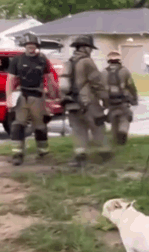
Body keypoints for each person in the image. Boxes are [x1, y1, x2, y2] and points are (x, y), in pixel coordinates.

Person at [6, 32, 57, 166]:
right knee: (18, 125)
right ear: (24, 46)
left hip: (38, 97)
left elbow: (49, 78)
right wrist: (9, 99)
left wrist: (54, 95)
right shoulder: (17, 60)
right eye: (28, 45)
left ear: (36, 46)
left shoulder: (43, 59)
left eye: (33, 45)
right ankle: (17, 154)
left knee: (40, 126)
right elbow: (10, 80)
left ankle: (43, 152)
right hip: (22, 96)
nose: (31, 47)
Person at [64, 35, 113, 167]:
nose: (91, 51)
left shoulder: (69, 61)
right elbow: (97, 83)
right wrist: (105, 100)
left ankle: (80, 156)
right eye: (90, 48)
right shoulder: (87, 62)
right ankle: (104, 154)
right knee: (98, 126)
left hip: (71, 103)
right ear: (85, 48)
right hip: (88, 102)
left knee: (79, 130)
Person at [101, 50, 139, 146]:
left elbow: (100, 89)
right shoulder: (124, 71)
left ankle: (115, 140)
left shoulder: (103, 72)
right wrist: (134, 98)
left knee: (113, 120)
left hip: (110, 102)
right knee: (125, 118)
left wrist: (104, 102)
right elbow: (131, 86)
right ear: (119, 60)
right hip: (123, 101)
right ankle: (123, 131)